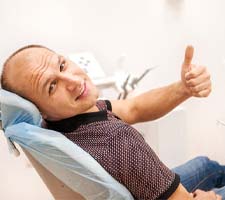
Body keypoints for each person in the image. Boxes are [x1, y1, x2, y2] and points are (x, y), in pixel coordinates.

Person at [0, 44, 223, 200]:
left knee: (206, 165)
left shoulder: (58, 125)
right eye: (51, 86)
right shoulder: (118, 140)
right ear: (40, 110)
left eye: (61, 65)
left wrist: (184, 88)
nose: (73, 81)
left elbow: (133, 108)